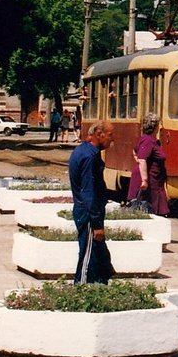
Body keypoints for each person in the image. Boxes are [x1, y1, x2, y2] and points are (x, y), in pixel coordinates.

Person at [69, 120, 116, 284]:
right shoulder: (89, 157)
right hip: (88, 214)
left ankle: (100, 284)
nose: (112, 140)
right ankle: (81, 287)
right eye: (110, 135)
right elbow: (88, 193)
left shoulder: (85, 151)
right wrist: (96, 224)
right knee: (88, 256)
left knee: (98, 254)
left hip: (88, 211)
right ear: (99, 134)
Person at [127, 112, 170, 216]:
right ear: (155, 127)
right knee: (148, 211)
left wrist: (137, 159)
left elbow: (135, 151)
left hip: (155, 181)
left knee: (154, 212)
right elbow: (142, 159)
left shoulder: (150, 140)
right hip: (148, 182)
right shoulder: (148, 140)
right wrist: (145, 180)